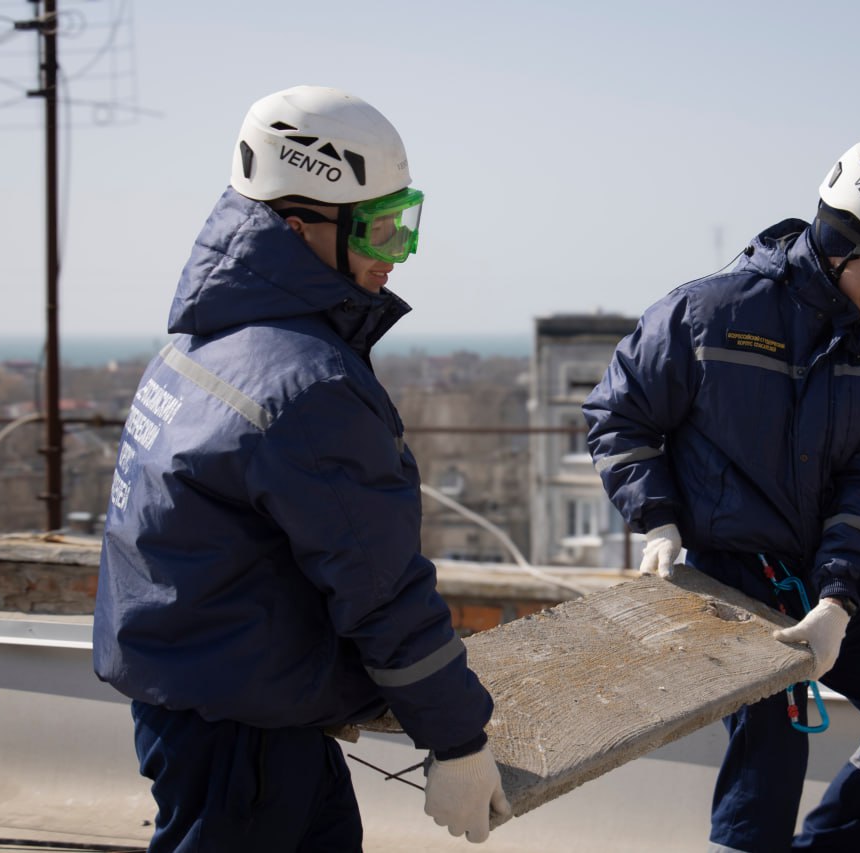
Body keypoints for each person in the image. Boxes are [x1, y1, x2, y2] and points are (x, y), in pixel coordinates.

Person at [93, 85, 510, 851]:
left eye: (404, 223)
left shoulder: (202, 344)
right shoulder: (308, 384)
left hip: (216, 701)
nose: (398, 256)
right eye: (381, 231)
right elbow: (379, 586)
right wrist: (457, 740)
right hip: (242, 736)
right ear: (301, 228)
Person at [583, 141, 860, 852]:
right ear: (840, 240)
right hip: (732, 574)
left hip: (833, 574)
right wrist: (658, 521)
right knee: (771, 751)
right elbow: (620, 414)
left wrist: (839, 599)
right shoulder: (707, 312)